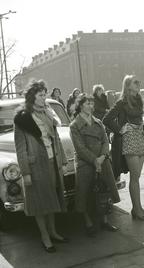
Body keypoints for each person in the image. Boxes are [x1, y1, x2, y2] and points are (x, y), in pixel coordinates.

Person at [14, 80, 68, 253]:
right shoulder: (22, 118)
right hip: (35, 165)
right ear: (32, 96)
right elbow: (20, 148)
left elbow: (56, 139)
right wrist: (26, 173)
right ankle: (45, 237)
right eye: (40, 95)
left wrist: (64, 161)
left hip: (52, 162)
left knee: (51, 198)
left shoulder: (48, 113)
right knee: (39, 203)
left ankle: (53, 232)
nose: (44, 98)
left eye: (45, 94)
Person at [103, 75, 144, 221]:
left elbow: (139, 118)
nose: (138, 84)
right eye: (135, 82)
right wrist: (120, 129)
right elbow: (107, 119)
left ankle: (138, 208)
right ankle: (137, 210)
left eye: (139, 82)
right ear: (128, 85)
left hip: (139, 137)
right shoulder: (122, 102)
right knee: (135, 177)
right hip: (129, 139)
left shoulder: (139, 100)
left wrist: (140, 129)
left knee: (136, 177)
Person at [70, 94, 120, 235]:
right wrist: (94, 160)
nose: (91, 106)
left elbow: (105, 140)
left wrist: (102, 157)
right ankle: (88, 223)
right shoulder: (74, 125)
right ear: (80, 105)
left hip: (102, 161)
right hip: (85, 162)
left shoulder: (98, 122)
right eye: (87, 104)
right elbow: (80, 148)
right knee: (84, 193)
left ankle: (104, 221)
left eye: (92, 104)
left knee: (104, 190)